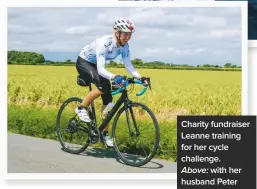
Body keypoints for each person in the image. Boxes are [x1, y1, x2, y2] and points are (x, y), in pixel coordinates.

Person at [75, 18, 148, 147]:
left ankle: (104, 134)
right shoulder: (105, 43)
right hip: (84, 62)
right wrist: (115, 77)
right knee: (103, 85)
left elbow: (128, 64)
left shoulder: (125, 46)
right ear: (116, 32)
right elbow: (101, 70)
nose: (127, 37)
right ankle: (81, 108)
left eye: (129, 34)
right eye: (125, 34)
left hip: (96, 65)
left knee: (108, 103)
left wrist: (139, 77)